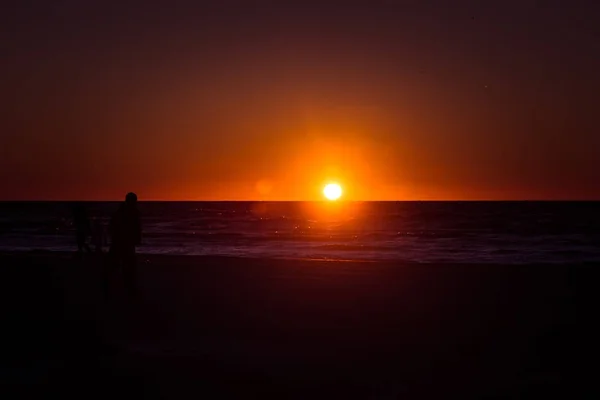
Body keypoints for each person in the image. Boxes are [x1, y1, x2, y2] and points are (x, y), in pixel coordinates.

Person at [106, 192, 141, 297]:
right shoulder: (132, 213)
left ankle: (120, 286)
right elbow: (136, 228)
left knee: (120, 265)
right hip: (124, 243)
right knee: (124, 266)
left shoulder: (120, 212)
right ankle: (126, 288)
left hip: (120, 243)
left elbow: (112, 226)